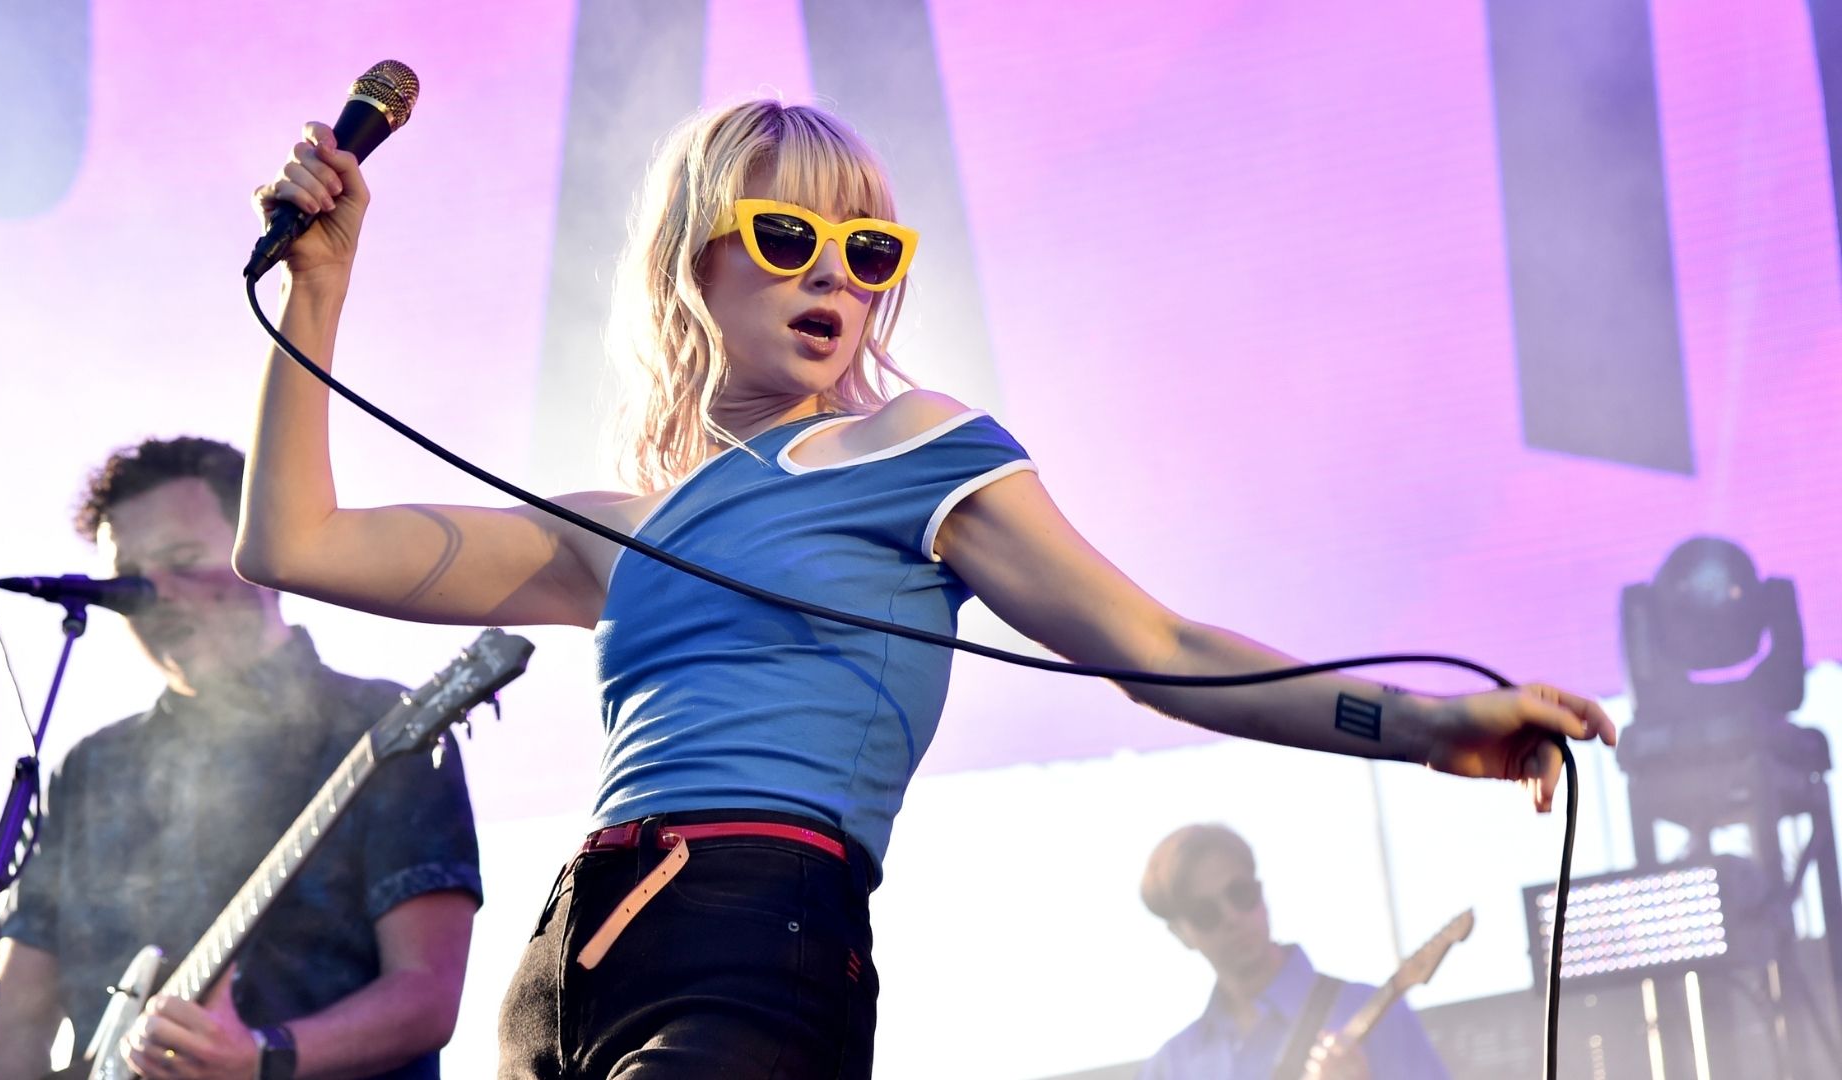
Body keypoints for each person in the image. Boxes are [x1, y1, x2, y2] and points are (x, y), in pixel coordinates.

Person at [235, 99, 1616, 1078]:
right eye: (786, 237)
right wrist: (322, 287)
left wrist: (1426, 728)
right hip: (564, 962)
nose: (832, 274)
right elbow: (292, 544)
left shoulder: (915, 450)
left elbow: (1157, 643)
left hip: (756, 927)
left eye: (869, 252)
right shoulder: (616, 526)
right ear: (693, 254)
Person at [0, 437, 483, 1080]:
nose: (154, 593)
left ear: (262, 560)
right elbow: (20, 1007)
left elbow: (426, 993)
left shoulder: (381, 727)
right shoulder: (92, 767)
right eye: (132, 575)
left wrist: (263, 1056)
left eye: (183, 559)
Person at [1138, 824, 1450, 1080]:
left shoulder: (1374, 1011)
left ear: (1260, 890)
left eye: (1240, 893)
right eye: (1205, 913)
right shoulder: (1168, 1068)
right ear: (1180, 934)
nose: (1232, 916)